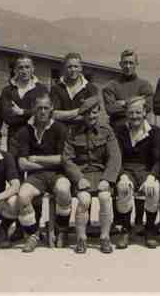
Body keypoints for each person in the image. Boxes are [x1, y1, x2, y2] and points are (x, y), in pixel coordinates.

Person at [61, 96, 122, 254]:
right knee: (84, 199)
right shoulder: (73, 131)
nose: (91, 117)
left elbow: (115, 157)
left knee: (105, 198)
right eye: (87, 114)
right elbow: (67, 158)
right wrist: (78, 178)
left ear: (99, 112)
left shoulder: (106, 130)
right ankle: (81, 238)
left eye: (94, 113)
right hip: (82, 174)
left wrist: (107, 179)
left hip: (101, 174)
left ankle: (105, 237)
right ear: (83, 115)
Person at [0, 55, 48, 241]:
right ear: (15, 70)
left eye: (27, 67)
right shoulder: (8, 90)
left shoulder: (41, 89)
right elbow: (8, 117)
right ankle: (16, 225)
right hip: (15, 140)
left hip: (36, 137)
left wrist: (23, 112)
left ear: (33, 69)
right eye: (20, 67)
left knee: (36, 182)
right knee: (16, 182)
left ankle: (33, 227)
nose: (24, 70)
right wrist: (30, 114)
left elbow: (45, 113)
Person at [12, 95, 70, 252]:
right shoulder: (25, 130)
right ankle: (33, 234)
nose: (42, 111)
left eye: (46, 108)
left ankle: (61, 229)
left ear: (51, 108)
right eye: (39, 108)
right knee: (22, 196)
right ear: (33, 110)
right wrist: (46, 163)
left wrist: (37, 158)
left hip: (57, 174)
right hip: (36, 177)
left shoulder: (60, 128)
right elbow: (22, 163)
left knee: (64, 190)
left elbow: (62, 159)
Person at [113, 96, 160, 249]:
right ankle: (126, 229)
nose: (134, 116)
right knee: (123, 187)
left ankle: (150, 229)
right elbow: (116, 157)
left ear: (145, 112)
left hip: (147, 170)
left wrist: (152, 177)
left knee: (154, 189)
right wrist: (122, 175)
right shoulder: (120, 130)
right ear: (126, 114)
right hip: (127, 169)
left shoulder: (154, 132)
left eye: (138, 112)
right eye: (131, 113)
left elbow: (159, 159)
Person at [102, 49, 154, 128]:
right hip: (118, 130)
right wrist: (137, 102)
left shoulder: (145, 85)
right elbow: (110, 109)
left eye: (131, 63)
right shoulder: (111, 86)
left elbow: (148, 107)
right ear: (120, 64)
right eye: (125, 63)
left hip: (140, 130)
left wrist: (124, 103)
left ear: (136, 64)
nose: (128, 66)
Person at [50, 52, 99, 129]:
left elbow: (91, 116)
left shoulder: (91, 88)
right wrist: (81, 110)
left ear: (81, 68)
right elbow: (54, 115)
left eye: (76, 66)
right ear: (64, 68)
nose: (73, 70)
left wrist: (64, 115)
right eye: (69, 67)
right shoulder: (56, 88)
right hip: (60, 131)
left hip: (82, 132)